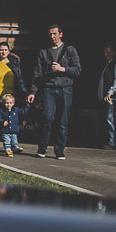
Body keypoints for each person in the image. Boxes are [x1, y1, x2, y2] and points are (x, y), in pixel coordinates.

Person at [27, 24, 81, 159]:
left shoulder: (70, 50)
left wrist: (63, 69)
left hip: (65, 88)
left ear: (61, 34)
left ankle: (59, 150)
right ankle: (42, 148)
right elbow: (37, 74)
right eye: (50, 34)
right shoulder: (44, 53)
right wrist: (33, 92)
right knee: (47, 117)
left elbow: (77, 69)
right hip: (49, 88)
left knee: (63, 120)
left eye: (55, 34)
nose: (52, 36)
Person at [98, 44, 116, 149]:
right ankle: (111, 141)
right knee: (109, 120)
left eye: (108, 53)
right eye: (105, 53)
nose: (106, 55)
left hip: (114, 98)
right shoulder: (107, 65)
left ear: (114, 52)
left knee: (112, 120)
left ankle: (113, 142)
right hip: (108, 98)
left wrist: (110, 92)